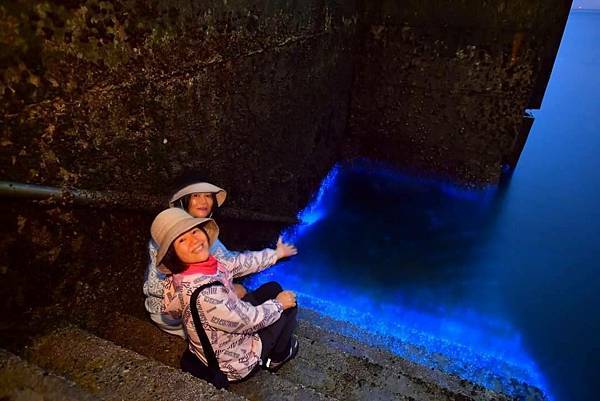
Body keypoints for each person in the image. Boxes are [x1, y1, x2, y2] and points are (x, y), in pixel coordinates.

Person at [151, 208, 299, 384]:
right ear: (173, 254)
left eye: (194, 231)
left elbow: (239, 263)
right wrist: (279, 304)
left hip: (224, 331)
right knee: (289, 306)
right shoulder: (206, 294)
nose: (194, 240)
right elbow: (249, 321)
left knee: (272, 288)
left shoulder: (199, 267)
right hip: (234, 362)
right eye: (182, 240)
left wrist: (276, 254)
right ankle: (277, 359)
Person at [143, 176, 297, 338]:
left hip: (172, 307)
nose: (203, 201)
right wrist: (225, 292)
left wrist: (227, 287)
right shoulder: (182, 240)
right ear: (183, 201)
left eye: (208, 196)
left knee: (257, 291)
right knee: (263, 310)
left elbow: (227, 265)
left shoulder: (182, 231)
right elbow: (234, 265)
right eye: (195, 196)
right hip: (174, 317)